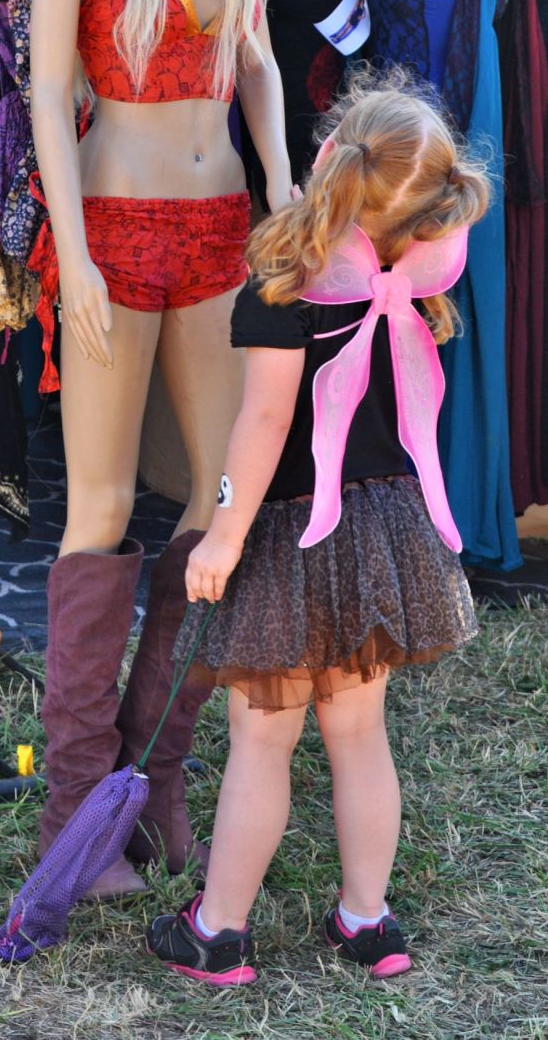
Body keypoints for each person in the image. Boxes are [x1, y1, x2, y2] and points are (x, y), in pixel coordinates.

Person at [28, 0, 294, 899]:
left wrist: (284, 188)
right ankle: (78, 811)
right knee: (101, 510)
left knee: (219, 509)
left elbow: (261, 69)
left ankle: (157, 777)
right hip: (116, 223)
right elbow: (43, 97)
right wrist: (74, 253)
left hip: (222, 233)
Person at [145, 70, 489, 984]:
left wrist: (220, 534)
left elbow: (262, 426)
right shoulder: (413, 276)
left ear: (329, 156)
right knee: (358, 732)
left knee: (262, 736)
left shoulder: (287, 285)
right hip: (380, 532)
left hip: (293, 536)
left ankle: (217, 930)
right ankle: (366, 921)